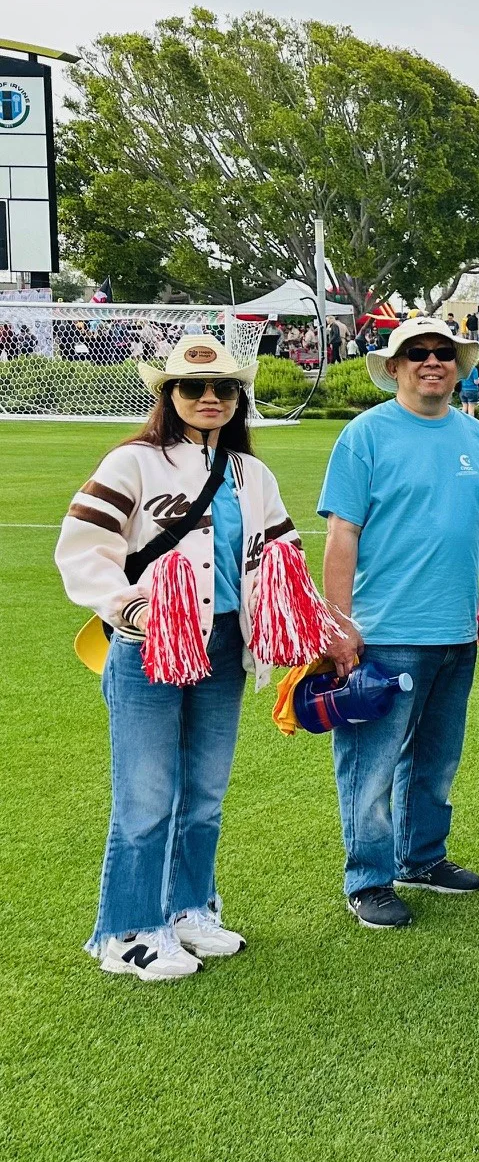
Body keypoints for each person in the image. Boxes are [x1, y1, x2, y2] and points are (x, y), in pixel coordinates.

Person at [56, 337, 303, 979]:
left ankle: (190, 908)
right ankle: (128, 930)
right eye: (194, 388)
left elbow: (283, 550)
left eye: (224, 388)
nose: (210, 398)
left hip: (225, 644)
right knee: (145, 795)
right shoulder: (132, 462)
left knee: (205, 791)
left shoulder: (252, 473)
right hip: (151, 647)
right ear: (168, 395)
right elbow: (83, 546)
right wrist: (127, 606)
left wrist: (294, 617)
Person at [319, 318, 479, 929]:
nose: (433, 362)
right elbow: (340, 535)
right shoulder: (365, 435)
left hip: (458, 631)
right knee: (371, 764)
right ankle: (369, 879)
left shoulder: (476, 437)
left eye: (443, 354)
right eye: (418, 354)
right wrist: (338, 621)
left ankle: (422, 858)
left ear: (459, 367)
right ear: (396, 366)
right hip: (386, 633)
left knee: (436, 759)